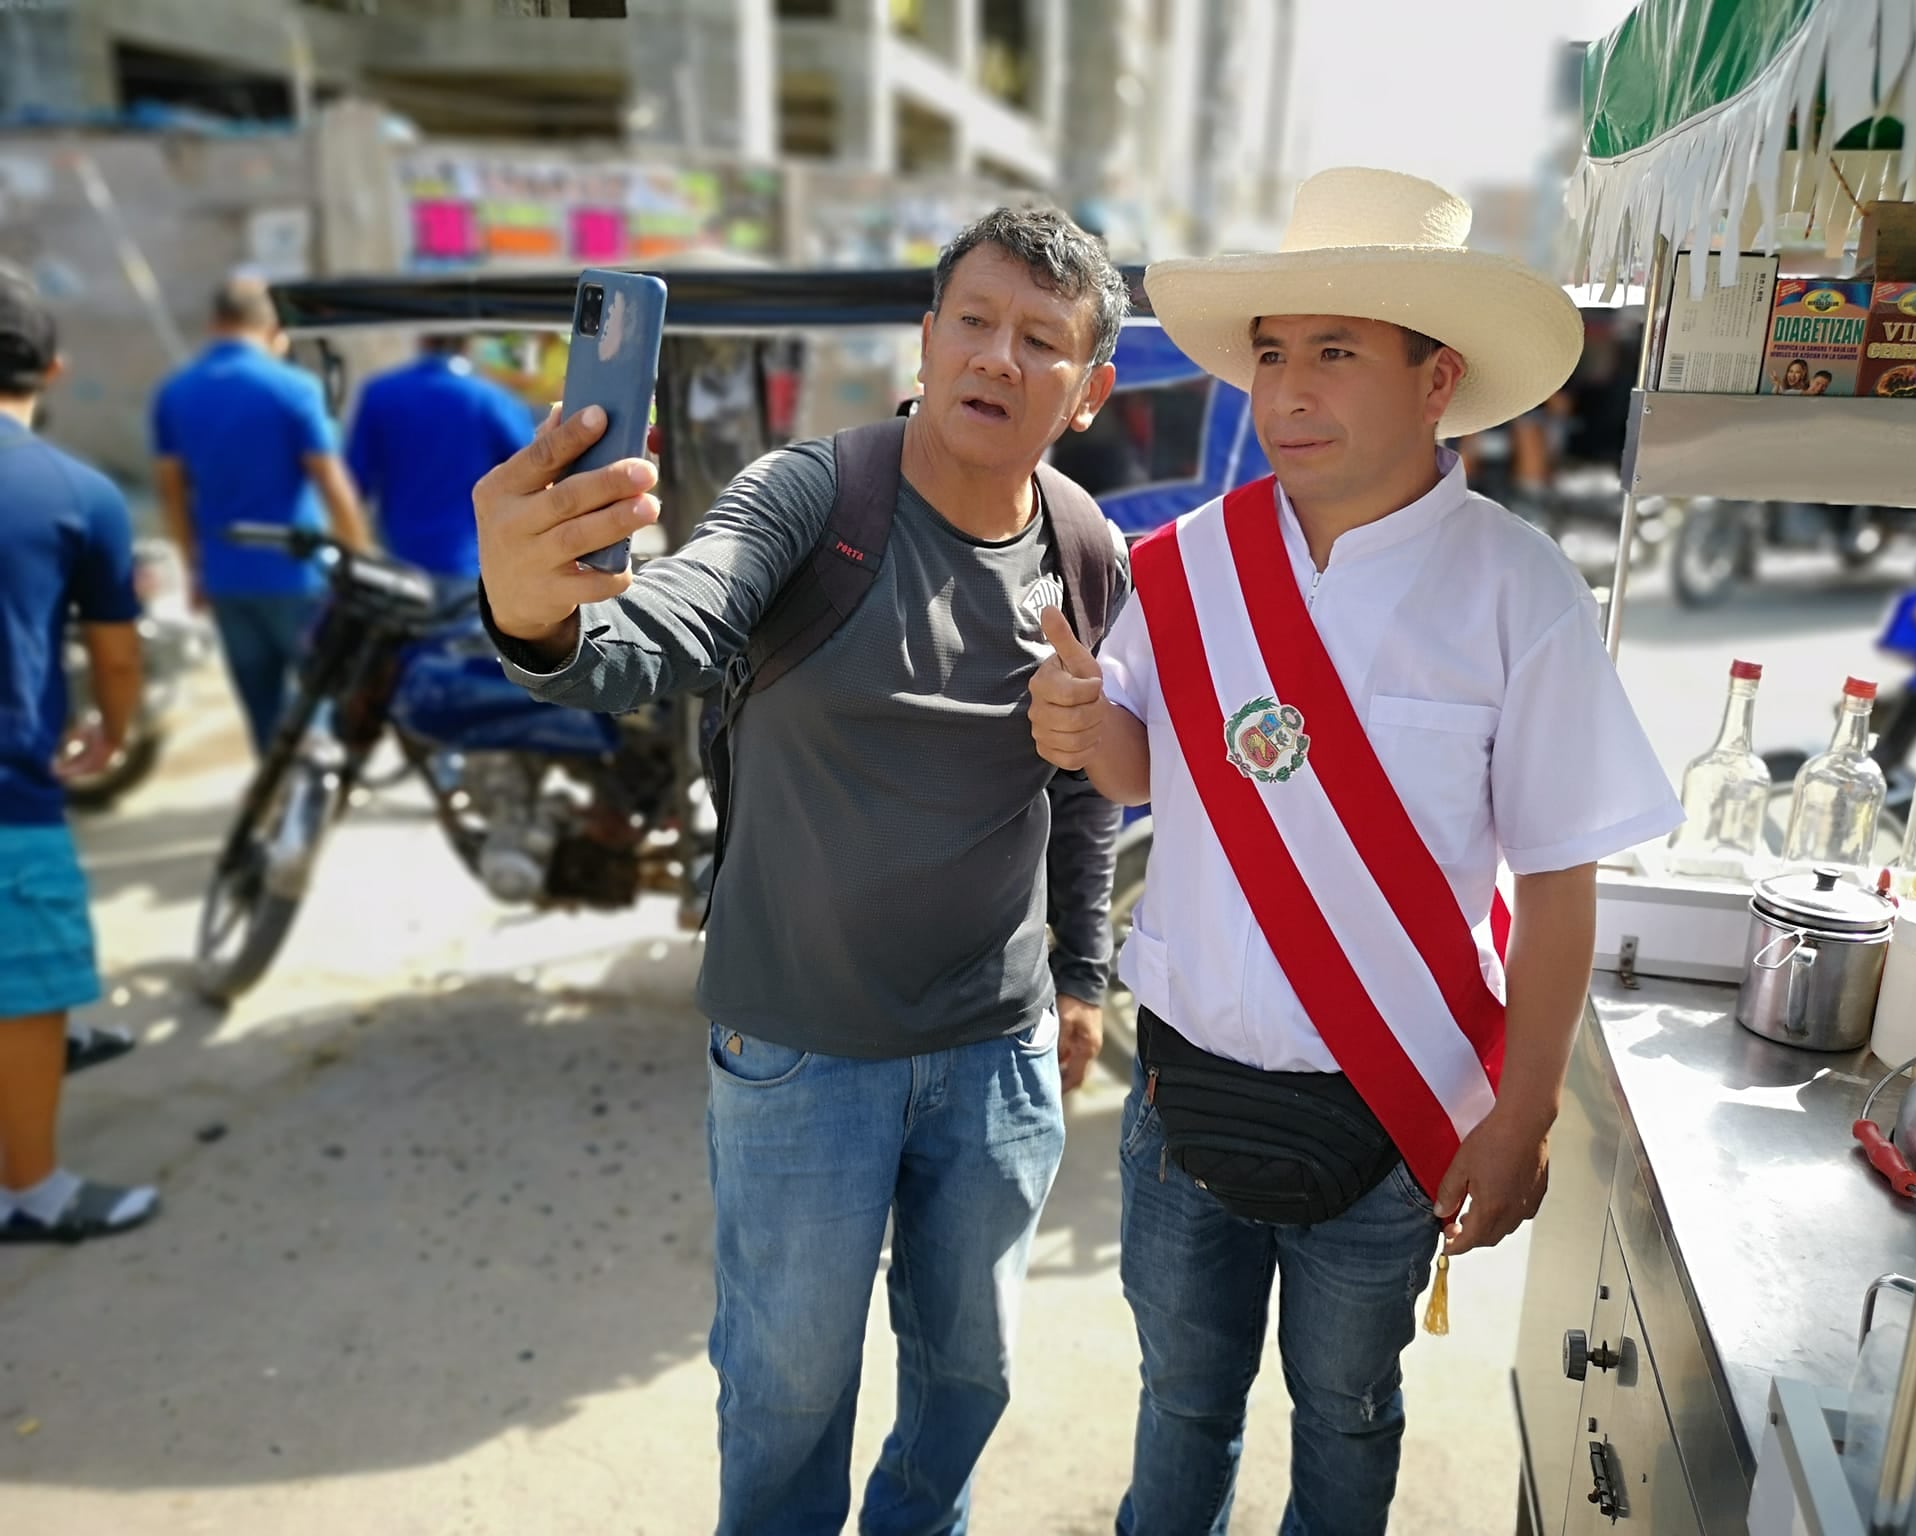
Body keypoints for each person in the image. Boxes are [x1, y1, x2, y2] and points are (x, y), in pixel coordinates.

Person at [1029, 168, 1682, 1534]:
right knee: (1182, 1403)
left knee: (1345, 1413)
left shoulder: (1518, 588)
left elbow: (1562, 876)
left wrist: (1526, 1114)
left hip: (1391, 1118)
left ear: (1436, 379)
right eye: (1273, 355)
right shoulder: (1193, 566)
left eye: (1336, 352)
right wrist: (1084, 725)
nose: (1291, 393)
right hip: (1184, 1098)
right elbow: (1150, 770)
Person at [472, 207, 1128, 1534]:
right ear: (928, 338)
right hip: (797, 1057)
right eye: (975, 322)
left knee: (971, 1376)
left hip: (993, 1059)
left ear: (1089, 389)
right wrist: (537, 610)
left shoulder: (1086, 546)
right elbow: (668, 623)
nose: (998, 358)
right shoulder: (812, 494)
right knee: (784, 1396)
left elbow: (1080, 772)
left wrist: (1082, 967)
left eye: (1041, 340)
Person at [0, 262, 160, 1243]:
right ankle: (31, 1192)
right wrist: (113, 730)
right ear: (52, 371)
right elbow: (117, 651)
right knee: (26, 990)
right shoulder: (76, 491)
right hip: (9, 797)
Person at [152, 276, 374, 752]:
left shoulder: (175, 392)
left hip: (225, 576)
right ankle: (307, 804)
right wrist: (359, 561)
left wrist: (194, 567)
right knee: (316, 698)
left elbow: (171, 492)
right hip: (298, 575)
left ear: (215, 324)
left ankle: (270, 808)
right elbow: (331, 483)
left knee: (260, 705)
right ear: (275, 329)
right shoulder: (293, 388)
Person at [346, 335, 536, 608]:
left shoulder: (380, 393)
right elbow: (532, 475)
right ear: (467, 345)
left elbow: (353, 484)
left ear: (422, 342)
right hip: (471, 567)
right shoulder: (493, 400)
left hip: (398, 566)